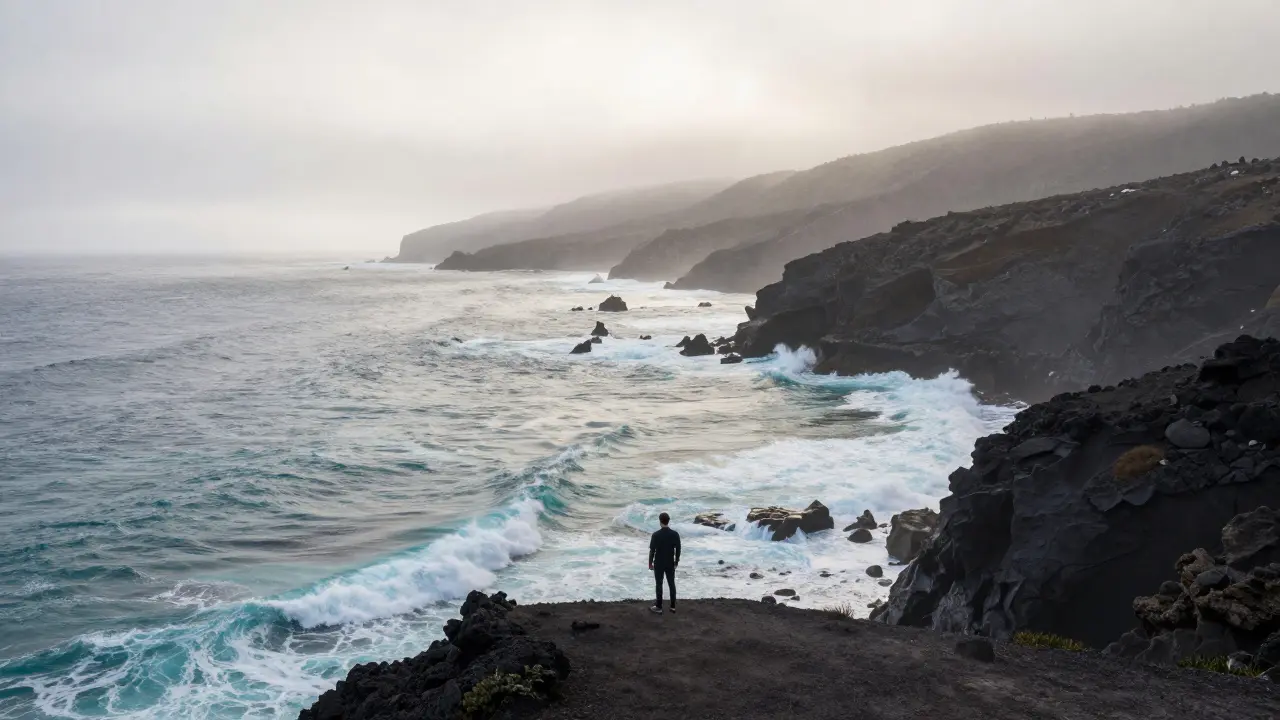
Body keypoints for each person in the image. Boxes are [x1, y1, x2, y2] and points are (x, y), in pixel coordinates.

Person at [648, 512, 681, 614]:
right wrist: (676, 561)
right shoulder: (675, 534)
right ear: (668, 521)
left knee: (659, 584)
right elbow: (678, 549)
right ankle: (672, 607)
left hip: (659, 563)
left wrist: (650, 563)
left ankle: (659, 606)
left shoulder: (656, 535)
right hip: (670, 563)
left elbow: (652, 551)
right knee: (671, 584)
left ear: (660, 521)